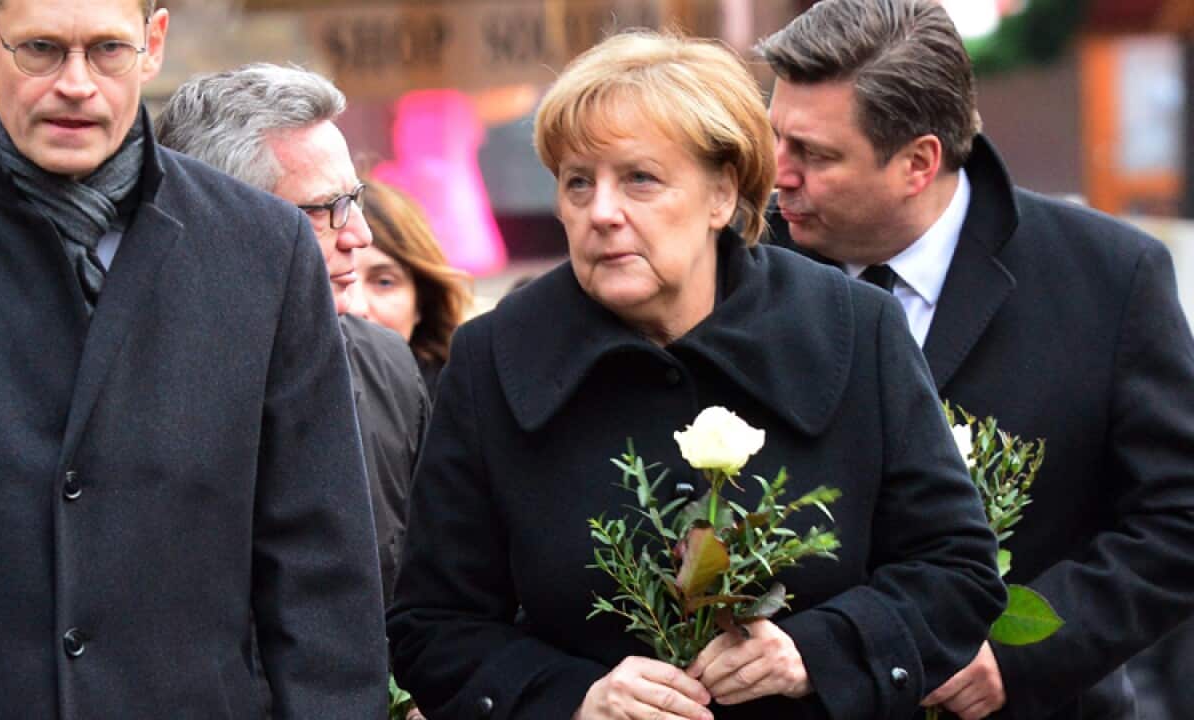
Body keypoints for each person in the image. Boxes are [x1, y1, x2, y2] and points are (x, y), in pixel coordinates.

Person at [387, 29, 1005, 720]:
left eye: (640, 179)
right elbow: (432, 624)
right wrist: (574, 699)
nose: (602, 213)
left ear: (723, 194)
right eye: (578, 182)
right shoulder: (496, 357)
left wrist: (816, 652)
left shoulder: (855, 329)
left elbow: (956, 572)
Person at [0, 1, 387, 717]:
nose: (76, 83)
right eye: (41, 48)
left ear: (154, 44)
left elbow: (321, 578)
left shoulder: (263, 249)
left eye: (107, 49)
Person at [756, 1, 1194, 719]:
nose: (779, 174)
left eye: (816, 154)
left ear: (918, 163)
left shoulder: (1110, 278)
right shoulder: (742, 266)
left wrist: (1022, 654)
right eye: (776, 138)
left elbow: (1179, 519)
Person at [156, 63, 430, 603]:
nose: (360, 234)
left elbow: (426, 600)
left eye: (354, 200)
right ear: (215, 219)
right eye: (322, 211)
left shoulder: (388, 364)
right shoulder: (122, 383)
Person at [351, 178, 471, 395]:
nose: (357, 306)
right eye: (336, 280)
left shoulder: (467, 407)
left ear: (421, 301)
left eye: (384, 282)